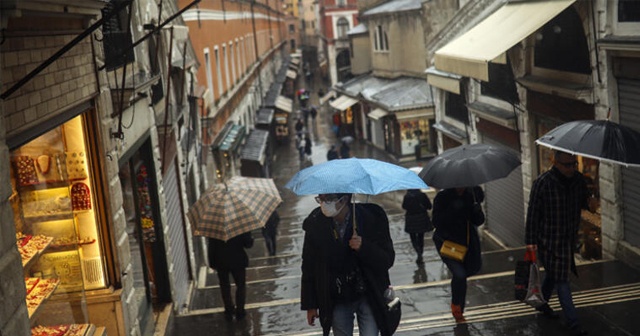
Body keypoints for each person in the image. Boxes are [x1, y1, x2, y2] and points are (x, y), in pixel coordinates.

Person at [301, 193, 397, 336]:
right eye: (321, 199)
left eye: (328, 199)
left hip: (368, 293)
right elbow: (309, 266)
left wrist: (363, 247)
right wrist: (311, 305)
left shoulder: (372, 217)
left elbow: (387, 259)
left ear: (344, 199)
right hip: (337, 297)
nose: (324, 204)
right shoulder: (316, 223)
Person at [525, 151, 596, 336]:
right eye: (568, 165)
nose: (572, 168)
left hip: (567, 240)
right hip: (548, 240)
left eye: (574, 164)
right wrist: (531, 242)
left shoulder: (578, 180)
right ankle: (573, 323)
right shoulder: (542, 183)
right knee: (562, 280)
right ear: (556, 163)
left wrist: (590, 203)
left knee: (554, 274)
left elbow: (584, 201)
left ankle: (541, 304)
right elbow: (533, 214)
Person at [432, 186, 485, 323]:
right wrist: (454, 209)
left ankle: (460, 308)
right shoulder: (442, 197)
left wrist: (476, 209)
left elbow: (478, 221)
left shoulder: (472, 194)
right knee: (459, 274)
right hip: (448, 243)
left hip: (468, 244)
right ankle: (456, 305)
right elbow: (436, 222)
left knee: (464, 274)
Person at [207, 232, 254, 321]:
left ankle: (229, 309)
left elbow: (211, 247)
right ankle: (240, 311)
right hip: (238, 260)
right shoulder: (240, 225)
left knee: (224, 286)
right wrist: (251, 238)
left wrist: (212, 263)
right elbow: (248, 244)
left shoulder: (216, 228)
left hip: (221, 261)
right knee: (240, 285)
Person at [402, 189, 433, 264]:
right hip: (421, 217)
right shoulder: (422, 195)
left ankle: (418, 251)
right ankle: (421, 252)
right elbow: (429, 206)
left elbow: (404, 206)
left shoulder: (407, 196)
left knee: (413, 237)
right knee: (420, 236)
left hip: (411, 219)